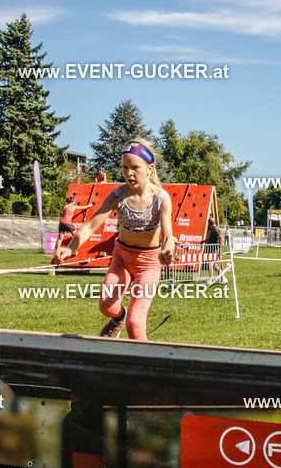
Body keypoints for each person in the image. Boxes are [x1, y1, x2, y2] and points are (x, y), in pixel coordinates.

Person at [54, 139, 174, 341]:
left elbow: (168, 235)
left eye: (135, 167)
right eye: (125, 168)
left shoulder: (161, 198)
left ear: (150, 168)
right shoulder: (117, 195)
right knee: (106, 306)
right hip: (122, 258)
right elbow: (91, 225)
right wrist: (70, 247)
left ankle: (144, 367)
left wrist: (167, 251)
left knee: (135, 324)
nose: (129, 173)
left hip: (149, 263)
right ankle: (119, 317)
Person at [203, 217, 226, 285]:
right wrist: (204, 241)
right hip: (212, 249)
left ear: (209, 224)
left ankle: (210, 279)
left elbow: (221, 238)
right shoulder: (213, 229)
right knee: (214, 265)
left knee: (210, 263)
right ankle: (223, 278)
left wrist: (218, 247)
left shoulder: (216, 229)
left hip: (214, 250)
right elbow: (212, 239)